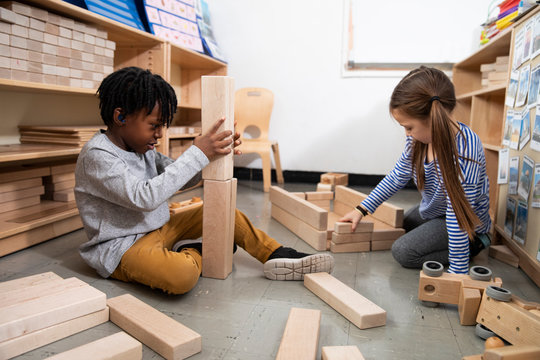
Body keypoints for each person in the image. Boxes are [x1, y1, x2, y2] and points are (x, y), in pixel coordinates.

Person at [74, 67, 334, 294]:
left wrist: (212, 154)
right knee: (181, 276)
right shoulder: (98, 156)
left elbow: (180, 177)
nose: (160, 134)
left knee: (225, 214)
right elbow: (146, 197)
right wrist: (197, 153)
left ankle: (277, 254)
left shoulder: (142, 148)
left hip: (158, 227)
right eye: (154, 125)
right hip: (121, 247)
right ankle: (195, 250)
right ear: (120, 117)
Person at [340, 66, 491, 274]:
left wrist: (458, 271)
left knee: (403, 251)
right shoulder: (418, 141)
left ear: (433, 119)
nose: (407, 134)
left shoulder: (467, 150)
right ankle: (442, 239)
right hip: (438, 212)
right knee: (406, 221)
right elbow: (396, 177)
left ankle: (473, 246)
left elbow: (458, 215)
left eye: (409, 127)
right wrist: (361, 209)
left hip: (465, 224)